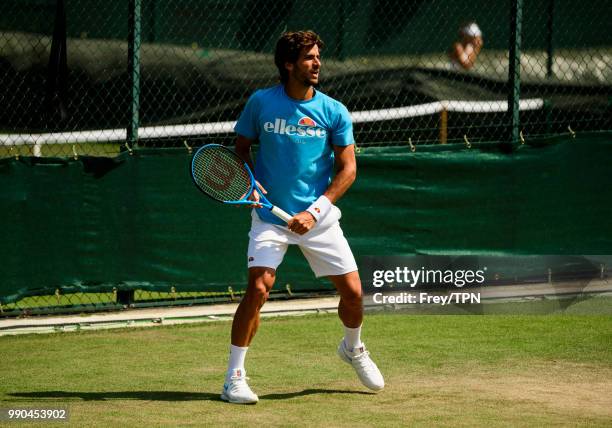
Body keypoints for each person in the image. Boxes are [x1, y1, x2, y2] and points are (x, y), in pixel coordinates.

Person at [221, 30, 384, 404]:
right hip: (269, 217)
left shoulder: (334, 111)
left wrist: (314, 212)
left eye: (318, 57)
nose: (317, 64)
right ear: (288, 64)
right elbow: (241, 149)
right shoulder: (261, 103)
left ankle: (353, 348)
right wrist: (252, 186)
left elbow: (348, 170)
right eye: (310, 58)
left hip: (318, 219)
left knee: (355, 294)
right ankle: (234, 378)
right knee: (258, 289)